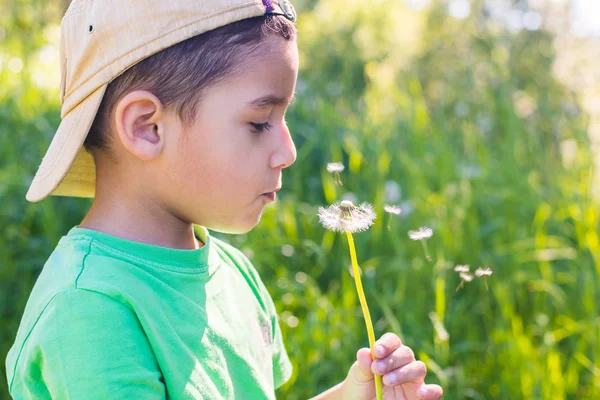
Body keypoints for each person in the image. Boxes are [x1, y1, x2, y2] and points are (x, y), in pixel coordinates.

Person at [5, 0, 444, 399]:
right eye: (259, 122)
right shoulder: (90, 311)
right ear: (147, 128)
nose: (288, 152)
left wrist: (352, 397)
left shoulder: (234, 275)